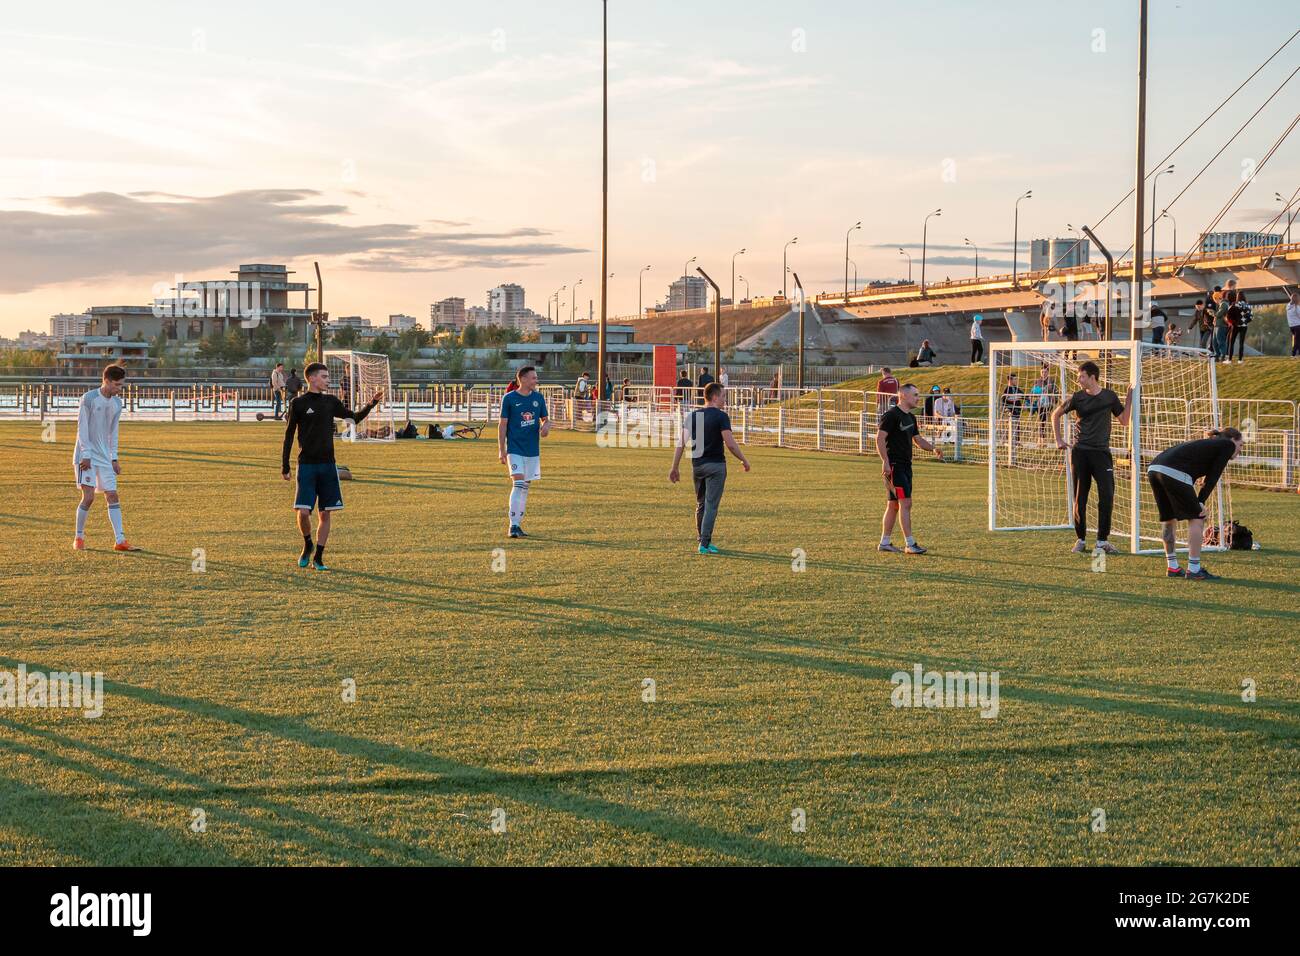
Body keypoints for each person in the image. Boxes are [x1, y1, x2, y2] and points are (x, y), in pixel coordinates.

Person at [281, 362, 383, 570]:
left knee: (325, 513)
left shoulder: (331, 402)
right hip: (307, 465)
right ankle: (308, 543)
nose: (328, 380)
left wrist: (372, 403)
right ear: (312, 379)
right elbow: (289, 435)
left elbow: (354, 418)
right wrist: (285, 465)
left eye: (328, 377)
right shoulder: (298, 403)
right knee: (302, 512)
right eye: (324, 377)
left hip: (328, 465)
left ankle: (318, 557)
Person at [1051, 360, 1133, 556]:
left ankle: (1102, 541)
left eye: (1081, 376)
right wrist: (1058, 439)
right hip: (1080, 453)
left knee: (1107, 495)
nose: (1078, 379)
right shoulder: (1077, 397)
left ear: (1092, 377)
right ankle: (1080, 539)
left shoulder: (1109, 396)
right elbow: (1055, 414)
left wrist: (1130, 397)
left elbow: (1124, 421)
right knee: (1080, 497)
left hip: (1101, 454)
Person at [1147, 428, 1243, 580]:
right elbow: (1213, 477)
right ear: (1232, 440)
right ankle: (1194, 569)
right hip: (1173, 470)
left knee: (1169, 518)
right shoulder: (1227, 445)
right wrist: (1200, 501)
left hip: (1154, 468)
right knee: (1198, 517)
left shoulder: (1210, 445)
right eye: (1240, 445)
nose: (1240, 450)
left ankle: (1172, 567)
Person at [668, 382, 750, 554]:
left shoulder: (693, 416)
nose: (725, 400)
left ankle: (703, 540)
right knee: (711, 505)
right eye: (723, 396)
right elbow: (730, 444)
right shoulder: (721, 416)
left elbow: (681, 443)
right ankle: (704, 544)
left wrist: (674, 467)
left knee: (701, 504)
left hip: (697, 465)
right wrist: (744, 460)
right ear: (714, 397)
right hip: (716, 466)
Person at [72, 364, 134, 552]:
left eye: (121, 385)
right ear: (106, 381)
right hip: (85, 457)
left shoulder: (117, 404)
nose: (119, 389)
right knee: (89, 497)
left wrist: (114, 458)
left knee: (113, 495)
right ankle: (79, 538)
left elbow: (113, 433)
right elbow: (82, 429)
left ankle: (120, 540)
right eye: (116, 384)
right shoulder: (89, 399)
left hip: (105, 458)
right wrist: (86, 455)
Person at [876, 383, 943, 554]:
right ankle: (910, 544)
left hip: (906, 466)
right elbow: (879, 439)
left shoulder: (911, 418)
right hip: (894, 466)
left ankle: (885, 543)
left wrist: (933, 448)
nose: (918, 398)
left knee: (893, 505)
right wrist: (885, 461)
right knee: (905, 503)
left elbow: (918, 440)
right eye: (915, 394)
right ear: (903, 395)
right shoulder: (891, 415)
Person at [498, 365, 550, 539]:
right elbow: (502, 425)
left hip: (532, 450)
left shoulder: (538, 398)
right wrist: (501, 449)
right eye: (534, 378)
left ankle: (518, 525)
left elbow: (545, 420)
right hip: (515, 449)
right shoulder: (509, 398)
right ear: (524, 379)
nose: (536, 380)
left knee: (525, 487)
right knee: (518, 484)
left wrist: (545, 427)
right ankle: (512, 525)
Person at [1000, 372, 1025, 445]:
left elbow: (1024, 396)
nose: (1016, 381)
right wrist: (1007, 409)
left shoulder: (1017, 389)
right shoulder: (1007, 389)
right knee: (1010, 426)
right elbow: (1004, 400)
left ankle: (1017, 441)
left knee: (1017, 426)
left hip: (1017, 410)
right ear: (1010, 380)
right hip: (1010, 410)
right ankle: (1008, 441)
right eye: (1015, 379)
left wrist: (1027, 398)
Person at [1228, 292, 1251, 363]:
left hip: (1235, 326)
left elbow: (1228, 315)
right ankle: (1240, 360)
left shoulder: (1234, 304)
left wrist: (1233, 322)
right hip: (1244, 326)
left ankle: (1229, 360)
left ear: (1237, 297)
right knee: (1241, 343)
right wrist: (1245, 322)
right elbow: (1251, 316)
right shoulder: (1247, 305)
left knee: (1231, 343)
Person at [1288, 290, 1300, 357]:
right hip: (1298, 326)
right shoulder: (1297, 308)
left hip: (1291, 326)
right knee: (1297, 341)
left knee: (1298, 340)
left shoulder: (1288, 306)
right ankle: (1293, 354)